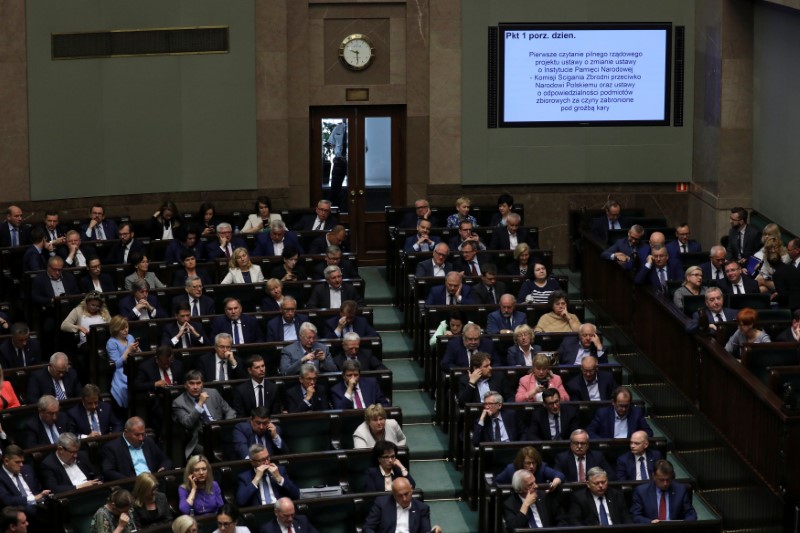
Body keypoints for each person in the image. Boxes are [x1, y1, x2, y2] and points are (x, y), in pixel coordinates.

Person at [173, 370, 237, 458]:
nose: (195, 387)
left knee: (235, 445)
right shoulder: (178, 403)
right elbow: (188, 423)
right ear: (185, 385)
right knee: (214, 453)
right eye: (191, 383)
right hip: (200, 438)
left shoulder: (213, 393)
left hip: (220, 431)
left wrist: (224, 425)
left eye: (198, 383)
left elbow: (230, 411)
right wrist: (200, 403)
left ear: (202, 384)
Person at [101, 417, 172, 481]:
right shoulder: (113, 447)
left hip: (152, 482)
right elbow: (108, 471)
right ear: (126, 432)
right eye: (137, 435)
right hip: (131, 486)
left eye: (143, 434)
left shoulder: (148, 441)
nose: (141, 438)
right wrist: (129, 481)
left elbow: (166, 460)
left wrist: (163, 469)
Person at [363, 477, 442, 533]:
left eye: (406, 494)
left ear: (411, 490)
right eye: (400, 496)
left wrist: (433, 531)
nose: (404, 499)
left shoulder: (422, 508)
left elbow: (425, 531)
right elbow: (368, 527)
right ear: (393, 495)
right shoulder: (382, 503)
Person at [631, 459, 697, 523]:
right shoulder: (641, 491)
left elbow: (691, 514)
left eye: (668, 480)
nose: (665, 483)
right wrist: (650, 522)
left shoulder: (680, 490)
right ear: (654, 476)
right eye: (661, 480)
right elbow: (636, 516)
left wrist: (684, 524)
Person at [235, 443, 300, 507]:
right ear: (253, 462)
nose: (267, 462)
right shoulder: (245, 477)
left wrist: (279, 478)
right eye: (263, 460)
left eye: (268, 458)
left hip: (279, 511)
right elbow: (241, 501)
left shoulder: (279, 471)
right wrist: (256, 479)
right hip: (260, 513)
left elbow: (296, 494)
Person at [566, 466, 632, 525]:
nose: (600, 486)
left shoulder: (616, 495)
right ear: (588, 484)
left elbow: (626, 518)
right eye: (596, 483)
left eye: (603, 482)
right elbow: (574, 521)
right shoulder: (579, 497)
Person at [0, 445, 50, 516]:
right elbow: (6, 500)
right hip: (18, 511)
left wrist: (42, 497)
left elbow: (37, 489)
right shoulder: (1, 477)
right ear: (6, 461)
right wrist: (33, 498)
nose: (21, 465)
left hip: (38, 506)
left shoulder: (27, 469)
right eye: (17, 462)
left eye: (22, 461)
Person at [587, 386, 653, 439]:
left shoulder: (636, 413)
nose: (624, 409)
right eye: (621, 406)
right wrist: (603, 441)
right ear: (613, 402)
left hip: (630, 449)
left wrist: (637, 438)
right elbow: (590, 432)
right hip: (608, 450)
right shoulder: (602, 413)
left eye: (626, 406)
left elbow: (649, 432)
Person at [105, 315, 140, 411]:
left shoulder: (130, 337)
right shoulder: (111, 343)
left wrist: (137, 351)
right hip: (121, 370)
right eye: (122, 328)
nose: (126, 330)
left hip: (135, 367)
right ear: (116, 329)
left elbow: (140, 354)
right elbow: (116, 364)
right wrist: (128, 350)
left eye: (127, 327)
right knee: (124, 387)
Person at [493, 446, 565, 489]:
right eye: (528, 463)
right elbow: (496, 483)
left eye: (534, 463)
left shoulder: (541, 467)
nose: (531, 466)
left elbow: (559, 475)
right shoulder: (511, 469)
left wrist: (554, 483)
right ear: (521, 463)